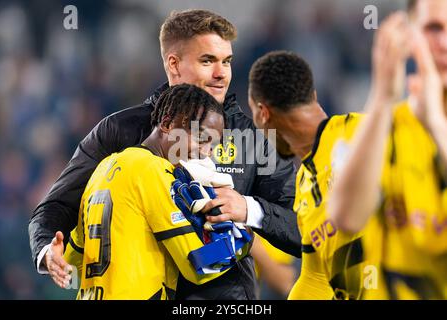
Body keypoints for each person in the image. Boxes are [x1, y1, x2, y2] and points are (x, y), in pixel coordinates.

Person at [28, 9, 300, 300]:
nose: (221, 73)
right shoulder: (119, 130)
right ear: (174, 65)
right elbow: (56, 207)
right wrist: (48, 250)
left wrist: (248, 208)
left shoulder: (257, 139)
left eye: (227, 61)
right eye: (207, 60)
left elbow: (303, 229)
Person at [64, 84, 247, 299]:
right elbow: (198, 265)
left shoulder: (103, 168)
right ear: (168, 123)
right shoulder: (154, 170)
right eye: (201, 138)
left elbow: (70, 263)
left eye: (212, 145)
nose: (205, 153)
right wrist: (243, 238)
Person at [329, 1, 447, 299]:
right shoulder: (377, 130)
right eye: (434, 28)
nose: (445, 43)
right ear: (409, 36)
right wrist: (382, 98)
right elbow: (346, 217)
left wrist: (436, 123)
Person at [247, 50, 377, 299]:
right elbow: (315, 277)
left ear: (263, 113)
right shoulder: (304, 184)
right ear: (313, 96)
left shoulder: (365, 133)